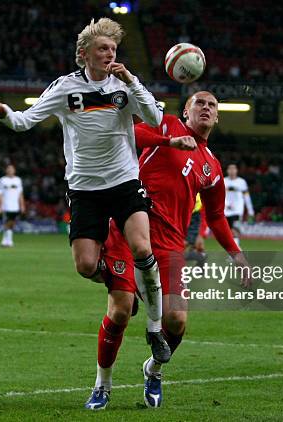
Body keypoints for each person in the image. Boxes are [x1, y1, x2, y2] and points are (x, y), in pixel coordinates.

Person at [0, 19, 171, 362]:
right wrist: (6, 113)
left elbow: (155, 119)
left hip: (125, 182)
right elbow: (26, 121)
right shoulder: (64, 88)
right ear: (84, 54)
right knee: (86, 265)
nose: (109, 54)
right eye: (102, 48)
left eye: (113, 49)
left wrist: (133, 81)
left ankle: (155, 328)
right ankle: (118, 281)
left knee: (143, 248)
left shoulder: (124, 87)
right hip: (84, 189)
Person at [85, 91, 251, 410]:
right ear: (186, 112)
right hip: (128, 228)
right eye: (198, 103)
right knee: (119, 311)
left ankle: (154, 370)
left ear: (217, 118)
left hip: (170, 246)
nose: (205, 108)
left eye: (212, 105)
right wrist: (168, 141)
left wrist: (237, 254)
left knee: (176, 321)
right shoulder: (167, 124)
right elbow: (131, 133)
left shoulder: (213, 168)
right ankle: (102, 385)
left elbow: (216, 216)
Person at [224, 163, 255, 248]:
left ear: (237, 171)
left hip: (237, 210)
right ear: (227, 171)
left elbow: (246, 196)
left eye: (234, 169)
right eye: (230, 169)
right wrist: (226, 205)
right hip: (226, 210)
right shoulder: (223, 181)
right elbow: (220, 196)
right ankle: (234, 251)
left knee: (235, 229)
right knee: (227, 232)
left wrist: (250, 210)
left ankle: (236, 251)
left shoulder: (242, 182)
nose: (232, 171)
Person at [0, 164, 25, 247]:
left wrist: (22, 205)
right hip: (6, 206)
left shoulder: (18, 180)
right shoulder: (2, 180)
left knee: (11, 223)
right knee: (7, 222)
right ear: (6, 170)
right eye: (9, 169)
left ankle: (7, 241)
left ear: (14, 170)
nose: (10, 170)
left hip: (15, 206)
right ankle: (6, 241)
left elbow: (20, 194)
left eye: (12, 169)